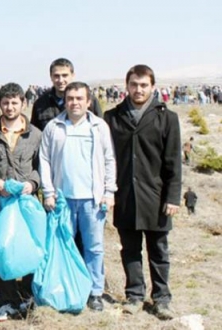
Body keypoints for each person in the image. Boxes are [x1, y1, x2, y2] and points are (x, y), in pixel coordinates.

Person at [104, 65, 181, 320]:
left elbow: (173, 162)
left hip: (156, 196)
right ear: (126, 86)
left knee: (159, 250)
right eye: (134, 85)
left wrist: (172, 197)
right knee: (129, 249)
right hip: (125, 194)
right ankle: (134, 295)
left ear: (152, 87)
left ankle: (161, 298)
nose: (139, 90)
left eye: (144, 85)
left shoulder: (166, 118)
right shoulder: (112, 117)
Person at [40, 82, 117, 312]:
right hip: (62, 199)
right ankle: (65, 288)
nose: (74, 102)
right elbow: (44, 160)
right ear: (65, 100)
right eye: (70, 98)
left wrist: (109, 191)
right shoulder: (54, 127)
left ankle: (94, 292)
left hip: (92, 201)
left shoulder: (98, 126)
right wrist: (48, 191)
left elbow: (109, 159)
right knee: (63, 246)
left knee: (94, 248)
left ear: (88, 101)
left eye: (79, 98)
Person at [0, 83, 42, 321]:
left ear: (23, 103)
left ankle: (28, 297)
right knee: (4, 248)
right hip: (0, 201)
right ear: (0, 104)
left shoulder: (36, 134)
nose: (10, 107)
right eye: (6, 103)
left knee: (28, 246)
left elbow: (42, 166)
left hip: (27, 203)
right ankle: (7, 300)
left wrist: (32, 183)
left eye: (15, 102)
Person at [31, 58, 102, 131]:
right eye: (56, 76)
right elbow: (35, 134)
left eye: (64, 75)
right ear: (51, 77)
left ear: (73, 75)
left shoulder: (88, 101)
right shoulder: (40, 104)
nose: (61, 80)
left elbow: (100, 128)